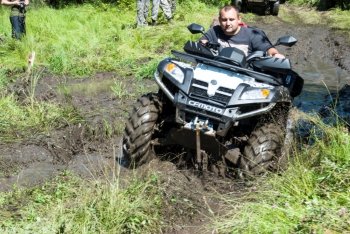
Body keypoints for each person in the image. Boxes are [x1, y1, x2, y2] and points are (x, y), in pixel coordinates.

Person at [201, 5, 285, 58]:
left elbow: (268, 48)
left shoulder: (252, 34)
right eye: (224, 20)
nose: (228, 23)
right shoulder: (215, 31)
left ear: (239, 19)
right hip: (215, 69)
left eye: (231, 19)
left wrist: (275, 55)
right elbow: (202, 42)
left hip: (243, 74)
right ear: (219, 20)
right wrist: (203, 44)